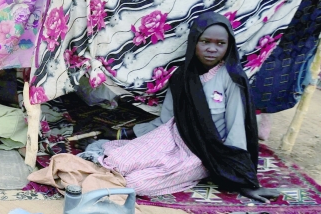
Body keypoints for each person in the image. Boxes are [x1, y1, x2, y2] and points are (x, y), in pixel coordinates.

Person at [99, 12, 279, 203]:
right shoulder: (182, 76)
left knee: (135, 182)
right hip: (173, 136)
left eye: (220, 44)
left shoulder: (232, 80)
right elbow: (165, 121)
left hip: (205, 152)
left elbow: (237, 132)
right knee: (115, 161)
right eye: (205, 42)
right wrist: (123, 134)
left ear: (229, 46)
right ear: (194, 41)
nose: (212, 49)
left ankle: (190, 172)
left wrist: (245, 182)